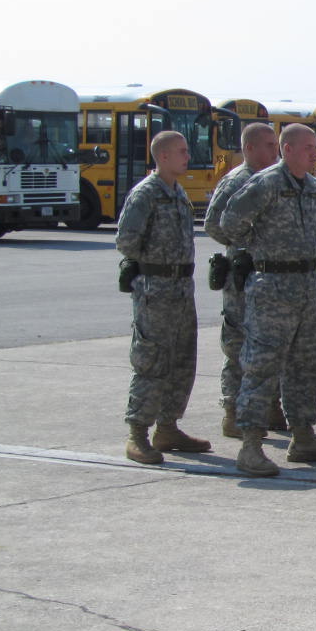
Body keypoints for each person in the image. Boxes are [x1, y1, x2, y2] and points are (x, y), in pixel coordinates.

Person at [214, 123, 316, 476]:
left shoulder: (314, 188)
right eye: (307, 147)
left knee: (306, 366)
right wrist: (261, 250)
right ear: (286, 149)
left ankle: (303, 436)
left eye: (315, 147)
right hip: (272, 286)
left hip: (305, 284)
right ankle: (251, 446)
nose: (313, 153)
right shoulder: (266, 183)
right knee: (262, 366)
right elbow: (228, 223)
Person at [118, 130, 208, 464]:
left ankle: (167, 427)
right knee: (151, 361)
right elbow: (127, 240)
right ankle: (137, 433)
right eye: (182, 152)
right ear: (164, 156)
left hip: (182, 289)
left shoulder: (178, 191)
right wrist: (154, 266)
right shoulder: (146, 193)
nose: (188, 156)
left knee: (182, 361)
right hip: (156, 290)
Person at [205, 122, 280, 438]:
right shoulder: (236, 181)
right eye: (268, 145)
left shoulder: (273, 180)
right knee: (238, 346)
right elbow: (213, 224)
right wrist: (246, 245)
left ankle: (267, 406)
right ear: (249, 148)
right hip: (243, 276)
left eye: (275, 145)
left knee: (269, 345)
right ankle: (233, 412)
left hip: (268, 279)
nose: (274, 151)